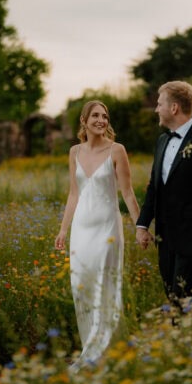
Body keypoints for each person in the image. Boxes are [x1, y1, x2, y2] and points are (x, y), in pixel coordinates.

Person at [55, 100, 139, 369]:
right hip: (81, 231)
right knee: (83, 287)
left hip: (107, 230)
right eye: (95, 115)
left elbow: (127, 193)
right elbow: (73, 193)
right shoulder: (74, 152)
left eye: (105, 116)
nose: (101, 120)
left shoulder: (117, 150)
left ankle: (104, 349)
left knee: (105, 286)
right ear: (84, 120)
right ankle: (93, 347)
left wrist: (140, 227)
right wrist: (63, 229)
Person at [136, 80, 192, 307]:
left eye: (159, 104)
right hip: (164, 240)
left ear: (174, 108)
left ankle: (185, 340)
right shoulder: (162, 141)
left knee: (183, 303)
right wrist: (143, 225)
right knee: (173, 299)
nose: (156, 109)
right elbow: (154, 187)